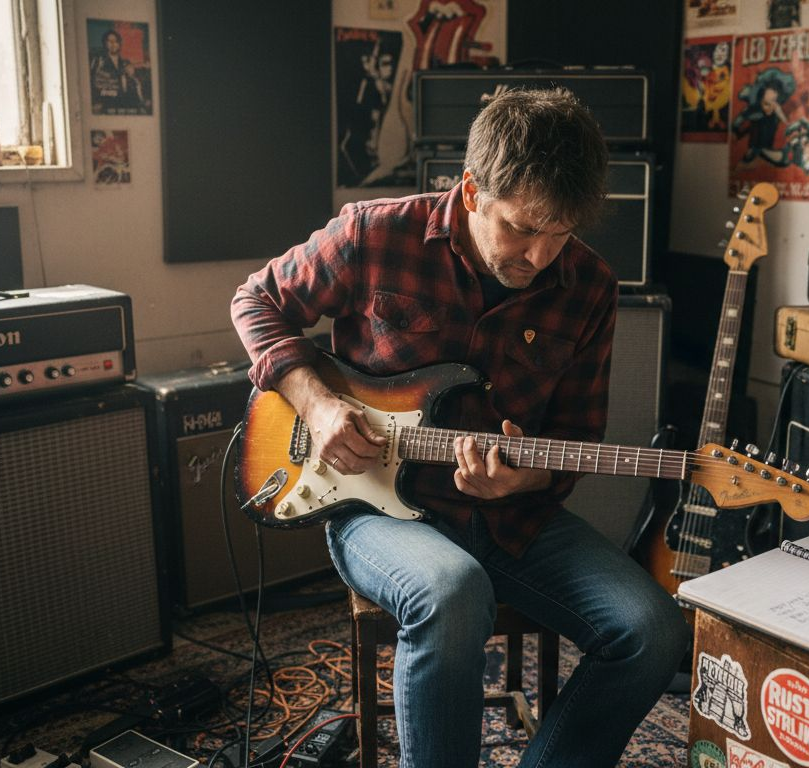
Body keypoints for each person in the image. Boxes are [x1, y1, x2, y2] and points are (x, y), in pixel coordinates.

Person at [232, 88, 690, 768]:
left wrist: (522, 479)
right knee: (453, 592)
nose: (538, 255)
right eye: (521, 228)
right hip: (371, 508)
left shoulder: (589, 285)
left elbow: (580, 436)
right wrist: (317, 403)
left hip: (509, 520)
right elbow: (256, 299)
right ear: (473, 191)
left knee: (653, 629)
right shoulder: (374, 233)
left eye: (559, 233)